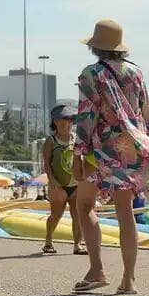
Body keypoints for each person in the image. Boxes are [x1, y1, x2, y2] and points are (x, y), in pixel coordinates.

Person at [71, 19, 149, 294]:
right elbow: (146, 115)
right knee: (126, 212)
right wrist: (142, 145)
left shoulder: (91, 74)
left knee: (85, 205)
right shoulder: (136, 73)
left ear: (95, 47)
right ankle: (128, 279)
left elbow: (87, 116)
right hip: (130, 149)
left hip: (99, 150)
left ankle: (97, 269)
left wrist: (78, 152)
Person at [41, 104, 84, 255]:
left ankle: (77, 245)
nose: (67, 123)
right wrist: (52, 182)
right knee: (56, 215)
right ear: (56, 122)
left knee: (77, 214)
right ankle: (48, 241)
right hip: (58, 184)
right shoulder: (51, 141)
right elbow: (46, 163)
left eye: (70, 120)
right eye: (64, 119)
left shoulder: (76, 140)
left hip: (75, 183)